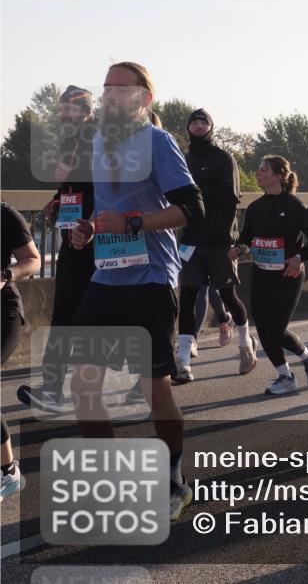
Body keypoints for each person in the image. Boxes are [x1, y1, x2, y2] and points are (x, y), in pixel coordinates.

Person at [67, 61, 206, 521]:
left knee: (154, 390)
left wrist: (134, 223)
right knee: (83, 384)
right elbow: (107, 210)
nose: (109, 96)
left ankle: (172, 478)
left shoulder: (156, 142)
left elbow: (192, 209)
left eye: (120, 89)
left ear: (144, 99)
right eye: (105, 88)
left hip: (150, 278)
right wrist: (88, 229)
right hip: (106, 276)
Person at [17, 86, 96, 414]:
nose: (63, 114)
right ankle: (52, 390)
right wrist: (56, 201)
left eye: (69, 109)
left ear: (85, 111)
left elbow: (107, 186)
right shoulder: (71, 140)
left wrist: (92, 222)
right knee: (64, 314)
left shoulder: (98, 139)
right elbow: (74, 186)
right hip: (74, 241)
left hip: (100, 240)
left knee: (102, 314)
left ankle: (150, 377)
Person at [229, 156, 308, 395]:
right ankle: (285, 375)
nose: (258, 174)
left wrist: (299, 257)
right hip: (262, 275)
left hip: (288, 275)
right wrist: (239, 249)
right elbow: (247, 237)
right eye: (259, 170)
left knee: (275, 329)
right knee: (263, 329)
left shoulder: (293, 206)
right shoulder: (255, 208)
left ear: (279, 176)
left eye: (263, 170)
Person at [175, 109, 252, 382]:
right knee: (188, 299)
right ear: (188, 128)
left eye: (203, 121)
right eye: (194, 122)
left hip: (219, 242)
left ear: (211, 127)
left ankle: (245, 344)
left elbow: (231, 200)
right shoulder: (183, 160)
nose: (198, 125)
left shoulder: (224, 159)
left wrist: (226, 239)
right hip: (192, 241)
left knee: (228, 296)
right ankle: (183, 359)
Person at [2, 203, 42, 497]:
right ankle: (8, 472)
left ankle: (8, 472)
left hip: (4, 313)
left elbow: (33, 260)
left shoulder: (5, 215)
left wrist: (5, 275)